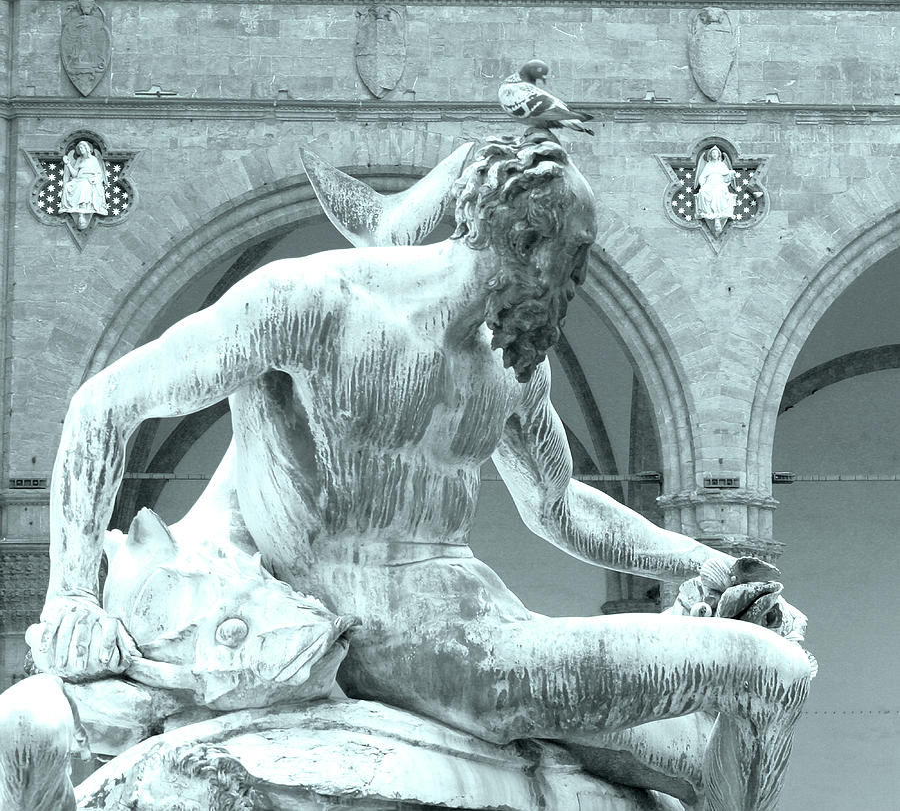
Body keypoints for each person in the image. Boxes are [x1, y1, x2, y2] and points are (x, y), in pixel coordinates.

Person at [36, 137, 812, 811]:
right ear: (528, 242)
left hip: (486, 633)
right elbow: (104, 405)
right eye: (576, 260)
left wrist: (705, 562)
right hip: (416, 646)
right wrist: (70, 593)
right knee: (769, 674)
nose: (576, 286)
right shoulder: (313, 303)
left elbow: (563, 506)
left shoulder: (507, 363)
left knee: (705, 765)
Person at [60, 140, 107, 230]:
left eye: (82, 147)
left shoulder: (94, 159)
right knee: (68, 186)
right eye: (79, 148)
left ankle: (84, 205)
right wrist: (68, 164)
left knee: (84, 184)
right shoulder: (79, 159)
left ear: (87, 148)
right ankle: (68, 206)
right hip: (78, 179)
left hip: (89, 180)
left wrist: (93, 179)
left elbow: (99, 173)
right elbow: (74, 174)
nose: (81, 149)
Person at [694, 144, 736, 222]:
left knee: (719, 192)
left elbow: (726, 176)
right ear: (710, 155)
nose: (714, 155)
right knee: (703, 192)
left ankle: (718, 212)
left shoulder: (722, 164)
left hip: (719, 184)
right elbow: (702, 176)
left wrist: (731, 174)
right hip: (709, 184)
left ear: (719, 155)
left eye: (716, 153)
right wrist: (702, 183)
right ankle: (708, 212)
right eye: (713, 153)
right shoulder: (708, 165)